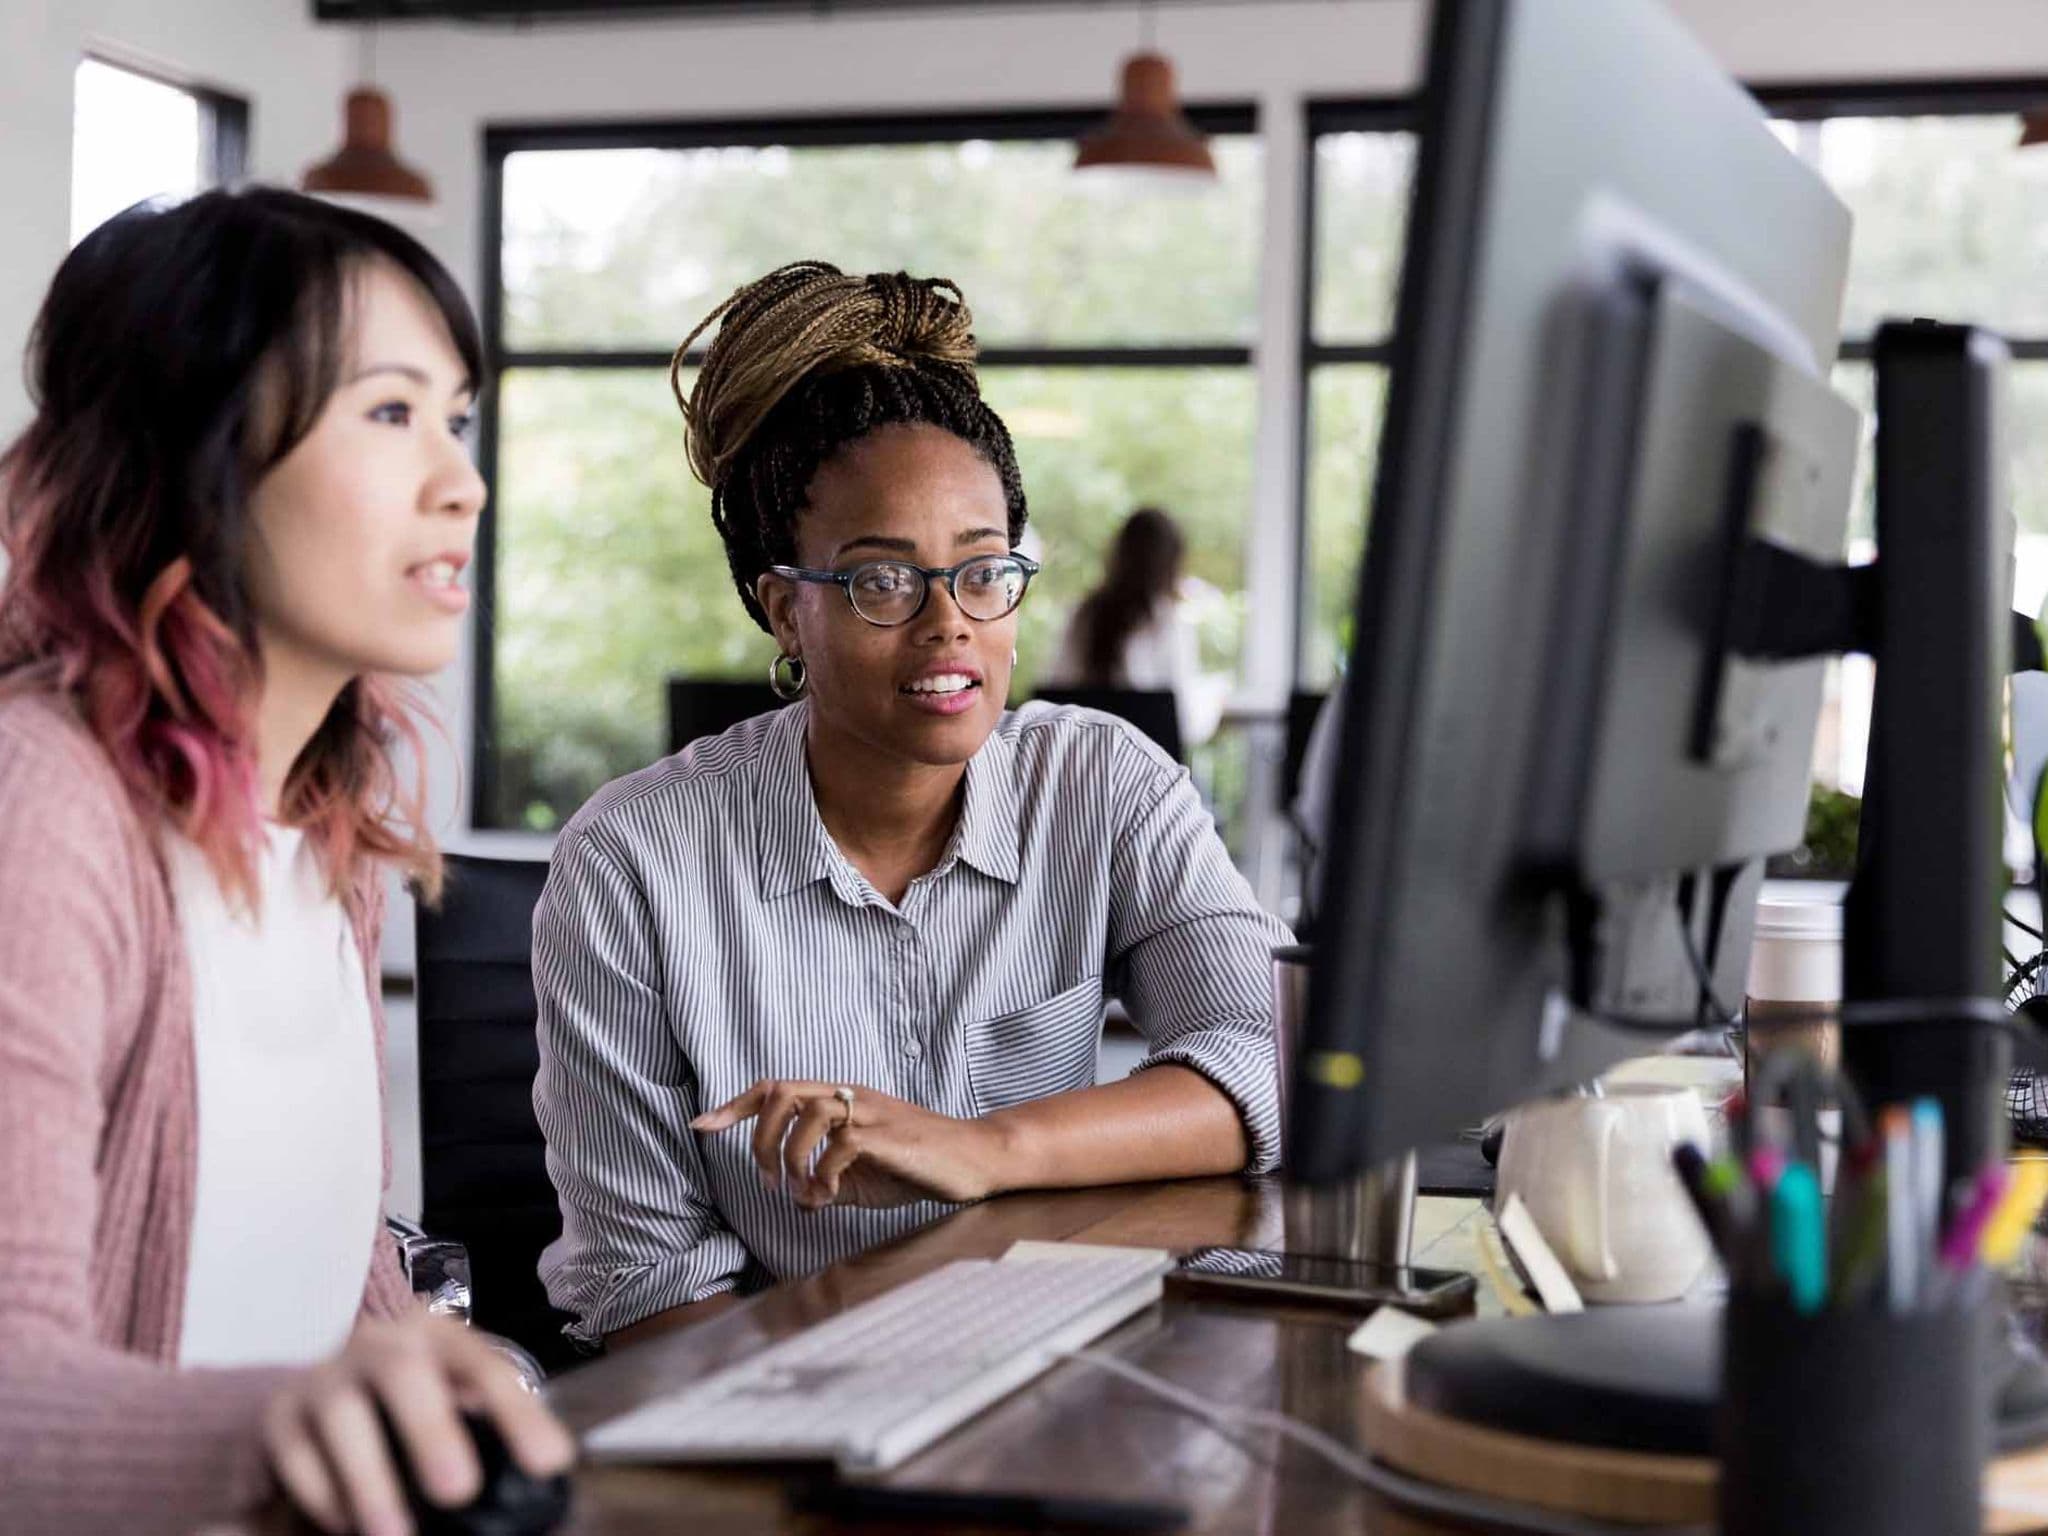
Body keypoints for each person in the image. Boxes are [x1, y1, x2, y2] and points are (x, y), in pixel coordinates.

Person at [533, 261, 1289, 1348]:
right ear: (784, 611)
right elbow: (644, 1283)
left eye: (983, 572)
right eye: (881, 581)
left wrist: (985, 1147)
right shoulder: (632, 860)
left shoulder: (1100, 784)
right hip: (781, 1400)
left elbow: (1267, 1056)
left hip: (1043, 1361)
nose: (948, 625)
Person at [0, 188, 573, 1535]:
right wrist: (276, 1425)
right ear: (197, 456)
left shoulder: (328, 824)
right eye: (389, 413)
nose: (461, 481)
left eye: (458, 419)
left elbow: (324, 1247)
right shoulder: (47, 809)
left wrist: (465, 1376)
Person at [1044, 507, 1225, 747]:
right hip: (1144, 770)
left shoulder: (1082, 616)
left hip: (1083, 762)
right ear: (1172, 562)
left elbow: (1055, 700)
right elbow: (1186, 724)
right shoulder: (1167, 624)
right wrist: (1216, 697)